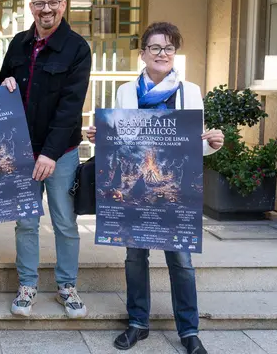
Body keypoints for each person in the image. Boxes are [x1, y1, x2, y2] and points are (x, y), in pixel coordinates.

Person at [86, 22, 224, 354]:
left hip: (174, 188)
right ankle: (138, 323)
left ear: (175, 52)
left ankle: (189, 330)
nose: (162, 54)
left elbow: (195, 144)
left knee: (181, 260)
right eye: (155, 48)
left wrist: (214, 144)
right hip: (135, 187)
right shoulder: (126, 92)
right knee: (135, 257)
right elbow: (121, 142)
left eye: (169, 48)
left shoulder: (189, 91)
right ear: (143, 53)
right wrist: (100, 138)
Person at [0, 0, 92, 318]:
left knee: (65, 222)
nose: (46, 9)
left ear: (64, 6)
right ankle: (27, 286)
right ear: (31, 8)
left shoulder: (77, 48)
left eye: (53, 2)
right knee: (25, 222)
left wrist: (50, 154)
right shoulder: (19, 44)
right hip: (22, 151)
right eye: (40, 4)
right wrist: (4, 82)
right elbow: (3, 84)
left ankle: (67, 287)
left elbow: (71, 106)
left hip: (61, 152)